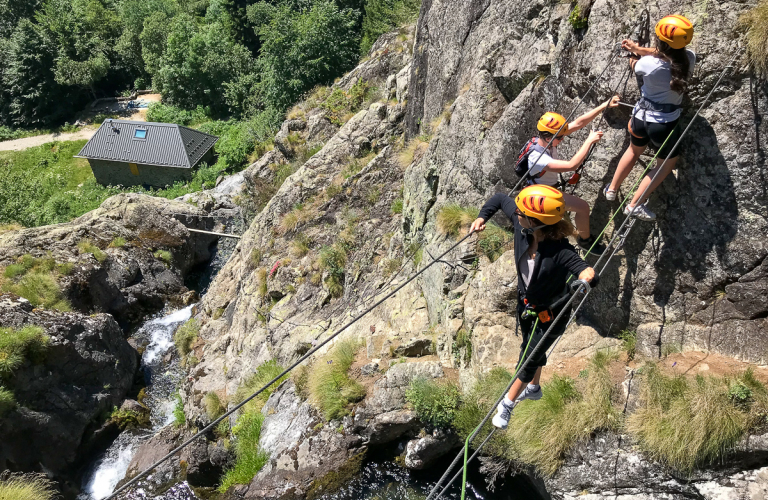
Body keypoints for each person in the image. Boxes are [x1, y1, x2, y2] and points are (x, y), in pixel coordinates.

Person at [468, 185, 598, 430]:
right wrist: (481, 217)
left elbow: (585, 269)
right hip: (527, 306)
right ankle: (534, 389)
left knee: (529, 356)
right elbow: (498, 198)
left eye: (521, 213)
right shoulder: (522, 226)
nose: (516, 214)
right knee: (531, 347)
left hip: (552, 314)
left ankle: (507, 404)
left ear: (537, 222)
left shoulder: (561, 251)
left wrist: (586, 278)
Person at [603, 14, 696, 221]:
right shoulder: (689, 58)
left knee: (633, 151)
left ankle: (612, 188)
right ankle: (634, 204)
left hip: (639, 117)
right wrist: (637, 49)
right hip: (663, 123)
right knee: (664, 164)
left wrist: (633, 55)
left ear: (660, 41)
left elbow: (639, 64)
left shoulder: (646, 64)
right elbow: (668, 54)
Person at [522, 96, 620, 255]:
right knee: (582, 207)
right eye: (560, 137)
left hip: (543, 190)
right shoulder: (537, 158)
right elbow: (571, 165)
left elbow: (578, 123)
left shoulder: (541, 140)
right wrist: (588, 141)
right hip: (543, 196)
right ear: (549, 137)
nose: (562, 138)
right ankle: (585, 241)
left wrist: (603, 106)